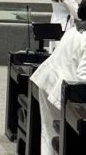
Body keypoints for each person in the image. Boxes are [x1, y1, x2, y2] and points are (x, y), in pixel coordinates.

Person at [29, 9, 86, 155]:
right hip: (63, 89)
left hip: (51, 80)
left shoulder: (76, 29)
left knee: (49, 134)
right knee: (55, 136)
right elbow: (82, 78)